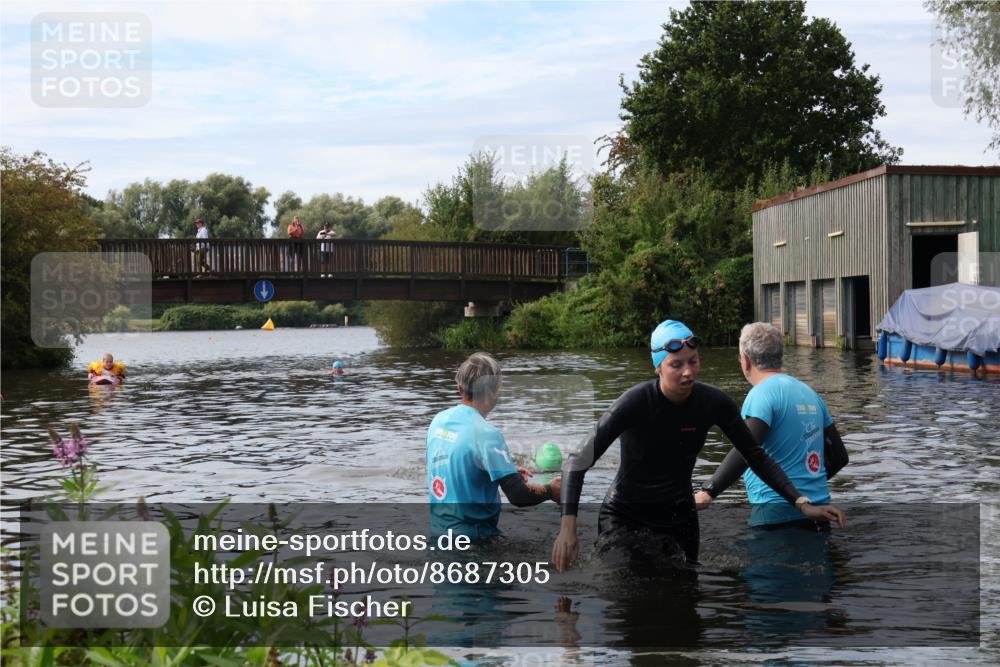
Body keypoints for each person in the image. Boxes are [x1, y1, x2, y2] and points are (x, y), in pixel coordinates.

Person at [550, 320, 844, 571]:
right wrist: (568, 527)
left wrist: (801, 503)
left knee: (685, 599)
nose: (688, 372)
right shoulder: (636, 401)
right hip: (626, 515)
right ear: (658, 368)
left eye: (693, 361)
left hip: (680, 516)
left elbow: (754, 455)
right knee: (629, 594)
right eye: (676, 365)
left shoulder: (713, 402)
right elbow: (577, 461)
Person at [694, 322, 849, 529]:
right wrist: (805, 486)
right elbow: (839, 457)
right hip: (820, 510)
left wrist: (709, 491)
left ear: (746, 360)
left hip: (774, 512)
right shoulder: (810, 393)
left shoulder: (761, 394)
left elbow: (746, 448)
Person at [427, 352, 561, 540]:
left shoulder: (438, 422)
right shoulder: (487, 434)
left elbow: (453, 463)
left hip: (438, 534)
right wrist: (550, 490)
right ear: (494, 390)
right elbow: (518, 495)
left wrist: (504, 469)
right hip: (474, 540)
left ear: (459, 388)